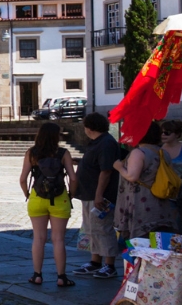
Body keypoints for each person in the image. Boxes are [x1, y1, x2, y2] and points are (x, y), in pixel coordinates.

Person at [21, 121, 79, 287]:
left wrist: (28, 194)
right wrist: (71, 194)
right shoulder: (63, 153)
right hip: (60, 198)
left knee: (38, 238)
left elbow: (22, 179)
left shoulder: (32, 153)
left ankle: (37, 275)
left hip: (37, 198)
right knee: (58, 239)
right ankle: (61, 277)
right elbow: (73, 178)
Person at [113, 119, 182, 242]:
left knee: (141, 242)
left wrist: (119, 167)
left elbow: (132, 176)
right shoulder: (162, 152)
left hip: (141, 204)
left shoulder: (139, 152)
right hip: (161, 204)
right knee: (159, 242)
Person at [72, 113, 121, 278]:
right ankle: (95, 261)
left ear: (89, 128)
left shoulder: (106, 143)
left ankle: (109, 265)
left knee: (103, 229)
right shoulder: (96, 142)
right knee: (91, 229)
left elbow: (106, 171)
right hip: (88, 193)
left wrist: (99, 194)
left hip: (99, 195)